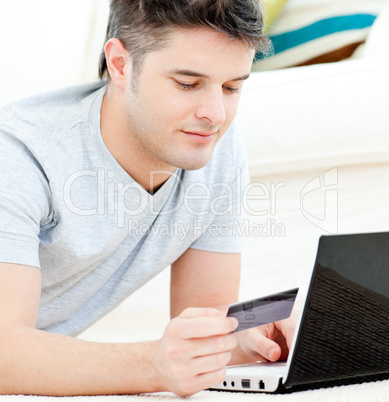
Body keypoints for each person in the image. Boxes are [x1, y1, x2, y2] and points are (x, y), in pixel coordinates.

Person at [0, 0, 295, 397]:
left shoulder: (213, 149)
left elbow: (204, 322)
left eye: (232, 87)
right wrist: (152, 365)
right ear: (121, 65)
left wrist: (249, 336)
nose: (215, 114)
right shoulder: (17, 157)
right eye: (187, 83)